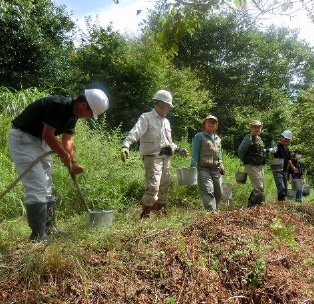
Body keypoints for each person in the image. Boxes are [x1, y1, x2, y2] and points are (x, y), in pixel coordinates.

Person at [8, 89, 109, 242]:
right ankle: (38, 235)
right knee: (38, 184)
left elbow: (67, 139)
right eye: (90, 113)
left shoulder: (73, 115)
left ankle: (50, 228)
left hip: (39, 141)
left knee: (47, 184)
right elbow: (48, 134)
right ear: (83, 105)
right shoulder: (58, 105)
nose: (89, 117)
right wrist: (64, 155)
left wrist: (72, 162)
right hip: (23, 139)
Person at [120, 90, 189, 219]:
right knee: (153, 186)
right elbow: (135, 132)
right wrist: (126, 145)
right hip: (152, 158)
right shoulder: (146, 118)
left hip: (166, 157)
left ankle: (160, 214)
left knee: (164, 185)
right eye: (168, 106)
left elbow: (168, 142)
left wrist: (178, 149)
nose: (169, 109)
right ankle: (144, 216)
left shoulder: (166, 122)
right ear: (160, 104)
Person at [190, 115, 224, 214]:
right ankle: (212, 212)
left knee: (219, 193)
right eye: (209, 121)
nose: (211, 123)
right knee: (208, 191)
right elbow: (195, 152)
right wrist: (193, 166)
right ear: (204, 124)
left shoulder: (218, 138)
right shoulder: (199, 136)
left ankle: (214, 210)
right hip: (203, 169)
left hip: (216, 169)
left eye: (213, 122)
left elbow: (219, 153)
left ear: (216, 126)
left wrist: (221, 163)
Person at [238, 120, 276, 207]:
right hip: (251, 164)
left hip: (259, 165)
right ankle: (251, 206)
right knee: (259, 187)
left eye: (259, 127)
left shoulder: (259, 139)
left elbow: (260, 151)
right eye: (255, 127)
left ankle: (258, 207)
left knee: (261, 187)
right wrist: (244, 161)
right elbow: (240, 150)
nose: (257, 129)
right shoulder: (248, 138)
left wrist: (269, 150)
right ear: (251, 128)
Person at [271, 130, 298, 204]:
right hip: (277, 168)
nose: (287, 141)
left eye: (288, 140)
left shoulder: (287, 149)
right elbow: (273, 151)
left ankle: (282, 203)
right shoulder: (277, 145)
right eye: (285, 139)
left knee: (285, 189)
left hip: (284, 170)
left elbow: (289, 160)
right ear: (282, 138)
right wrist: (273, 150)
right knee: (281, 187)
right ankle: (280, 203)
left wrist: (293, 168)